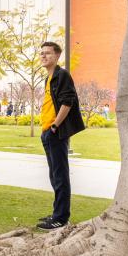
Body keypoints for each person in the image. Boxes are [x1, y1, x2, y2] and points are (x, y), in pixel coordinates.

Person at [37, 41, 86, 230]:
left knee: (60, 176)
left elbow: (68, 101)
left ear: (57, 56)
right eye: (41, 53)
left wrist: (55, 126)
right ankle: (57, 213)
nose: (43, 56)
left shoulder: (62, 75)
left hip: (55, 132)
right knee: (54, 175)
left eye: (47, 53)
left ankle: (61, 218)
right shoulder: (49, 78)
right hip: (47, 132)